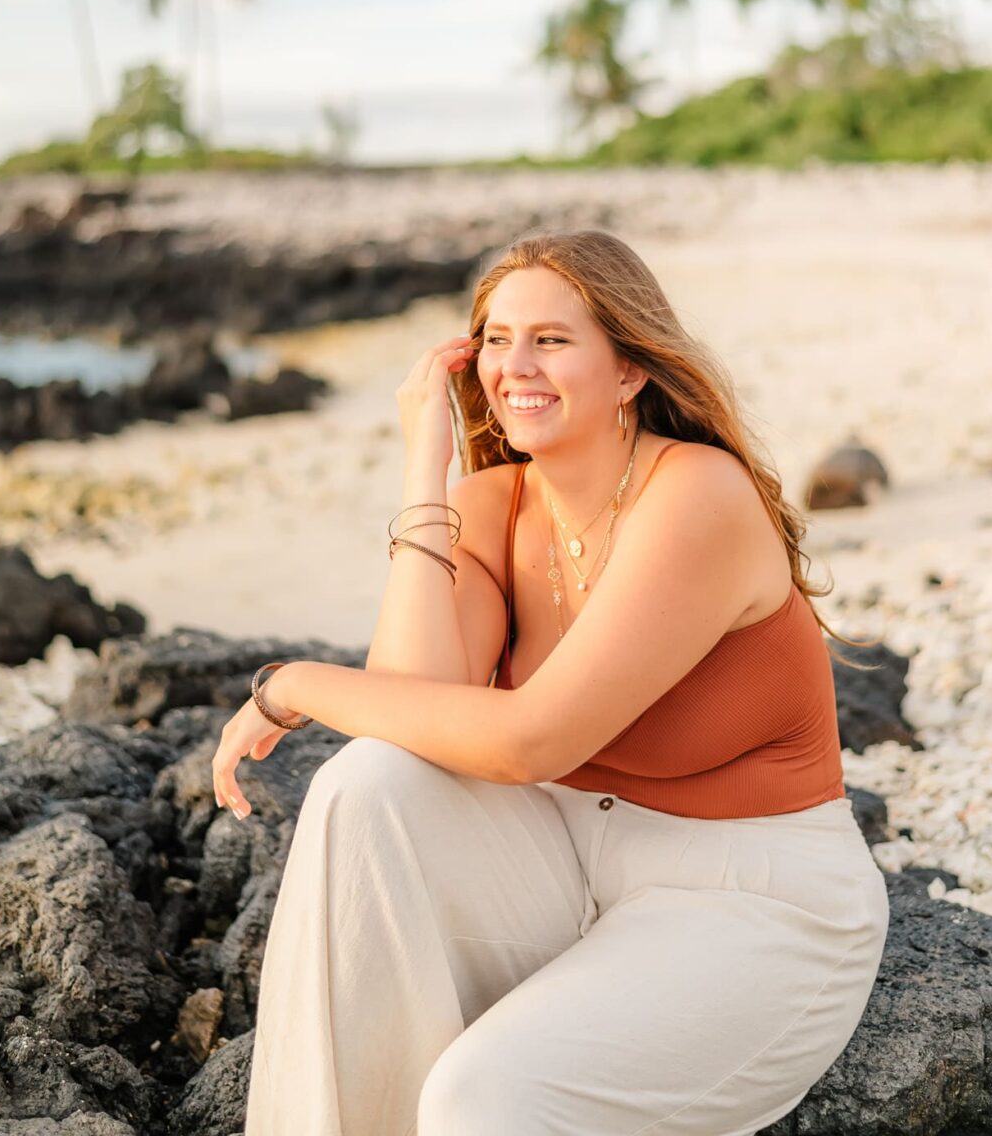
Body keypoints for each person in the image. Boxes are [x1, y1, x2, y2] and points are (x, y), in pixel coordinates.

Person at [214, 228, 890, 1136]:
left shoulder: (698, 495)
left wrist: (290, 684)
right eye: (495, 338)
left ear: (630, 371)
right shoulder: (495, 506)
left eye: (552, 339)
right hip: (566, 861)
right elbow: (407, 713)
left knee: (481, 1099)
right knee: (362, 786)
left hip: (754, 898)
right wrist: (428, 469)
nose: (514, 364)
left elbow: (534, 740)